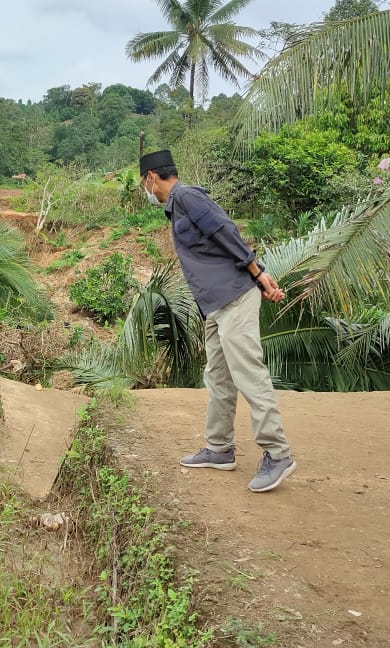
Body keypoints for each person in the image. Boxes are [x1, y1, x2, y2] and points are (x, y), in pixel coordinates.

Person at [139, 149, 295, 493]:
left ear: (152, 177)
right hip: (215, 305)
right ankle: (220, 448)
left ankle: (277, 453)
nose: (144, 190)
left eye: (143, 183)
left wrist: (258, 273)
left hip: (234, 298)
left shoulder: (187, 196)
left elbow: (226, 231)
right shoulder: (177, 205)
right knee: (219, 378)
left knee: (249, 374)